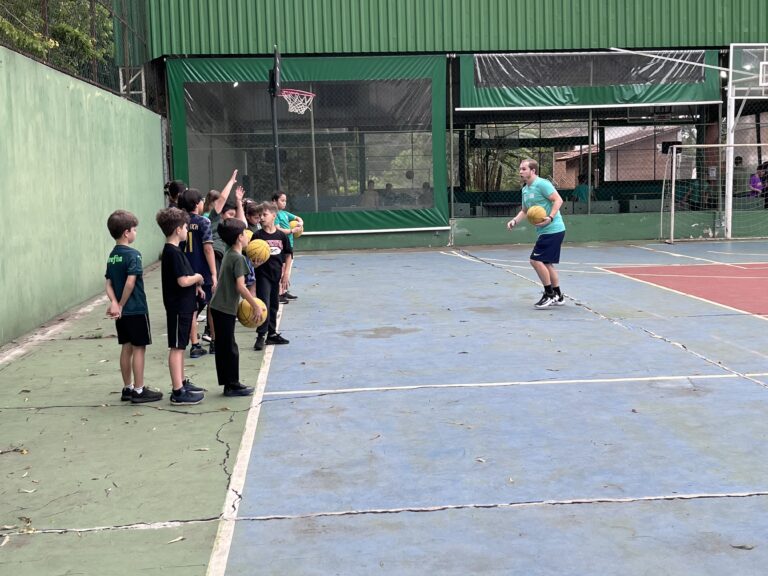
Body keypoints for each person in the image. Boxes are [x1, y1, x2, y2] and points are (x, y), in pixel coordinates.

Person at [104, 210, 162, 404]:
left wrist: (114, 303)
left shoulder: (113, 256)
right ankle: (139, 390)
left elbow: (108, 283)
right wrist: (120, 304)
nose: (136, 233)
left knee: (126, 347)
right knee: (139, 348)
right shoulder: (134, 255)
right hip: (135, 308)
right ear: (126, 233)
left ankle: (127, 388)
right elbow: (130, 283)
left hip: (122, 314)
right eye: (135, 229)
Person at [156, 207, 207, 405]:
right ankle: (177, 391)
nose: (187, 230)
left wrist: (197, 287)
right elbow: (182, 280)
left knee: (181, 345)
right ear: (178, 229)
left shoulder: (176, 251)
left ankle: (182, 382)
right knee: (177, 348)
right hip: (178, 307)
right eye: (185, 227)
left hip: (184, 306)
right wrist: (198, 277)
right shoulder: (172, 253)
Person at [209, 218, 262, 396]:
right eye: (245, 234)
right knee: (229, 347)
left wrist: (252, 264)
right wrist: (254, 305)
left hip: (219, 307)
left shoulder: (230, 253)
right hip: (224, 308)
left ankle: (229, 383)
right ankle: (232, 384)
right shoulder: (237, 258)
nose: (248, 237)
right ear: (240, 238)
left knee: (225, 346)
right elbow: (241, 286)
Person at [506, 159, 567, 309]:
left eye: (524, 169)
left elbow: (558, 200)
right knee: (547, 263)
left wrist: (550, 217)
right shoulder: (525, 189)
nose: (520, 171)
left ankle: (549, 294)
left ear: (533, 171)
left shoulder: (542, 184)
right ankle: (558, 295)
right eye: (520, 169)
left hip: (553, 229)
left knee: (535, 260)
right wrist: (514, 221)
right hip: (545, 231)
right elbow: (525, 211)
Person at [179, 188, 217, 358]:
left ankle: (194, 345)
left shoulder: (179, 222)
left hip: (185, 271)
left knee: (192, 309)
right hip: (202, 271)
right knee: (212, 305)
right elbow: (208, 248)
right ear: (196, 204)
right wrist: (214, 273)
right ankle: (215, 342)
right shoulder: (203, 222)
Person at [253, 202, 293, 351]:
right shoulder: (257, 236)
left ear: (273, 216)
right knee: (265, 304)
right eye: (260, 216)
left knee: (274, 305)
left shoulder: (281, 235)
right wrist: (254, 264)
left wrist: (286, 273)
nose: (261, 218)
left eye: (265, 215)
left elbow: (288, 255)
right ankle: (260, 336)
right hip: (263, 275)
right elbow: (251, 258)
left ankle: (272, 334)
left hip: (276, 275)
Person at [272, 191, 303, 302]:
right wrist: (291, 230)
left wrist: (300, 224)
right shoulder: (274, 214)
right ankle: (279, 293)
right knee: (282, 269)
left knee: (287, 268)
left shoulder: (284, 213)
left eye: (285, 200)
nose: (284, 203)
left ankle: (284, 291)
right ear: (274, 201)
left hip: (289, 244)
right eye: (282, 200)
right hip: (281, 245)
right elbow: (277, 229)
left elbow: (298, 218)